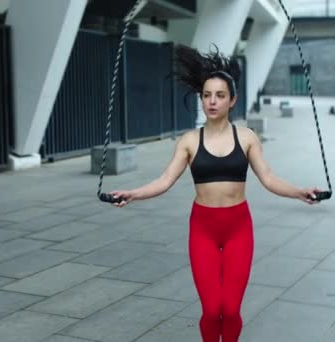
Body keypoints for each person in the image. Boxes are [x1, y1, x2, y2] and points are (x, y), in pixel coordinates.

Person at [109, 45, 321, 342]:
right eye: (207, 95)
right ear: (201, 98)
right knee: (211, 310)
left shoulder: (246, 137)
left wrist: (300, 192)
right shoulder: (189, 140)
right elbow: (165, 180)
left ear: (232, 100)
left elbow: (269, 179)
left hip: (238, 227)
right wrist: (133, 193)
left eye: (220, 95)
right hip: (203, 228)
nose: (212, 101)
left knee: (231, 310)